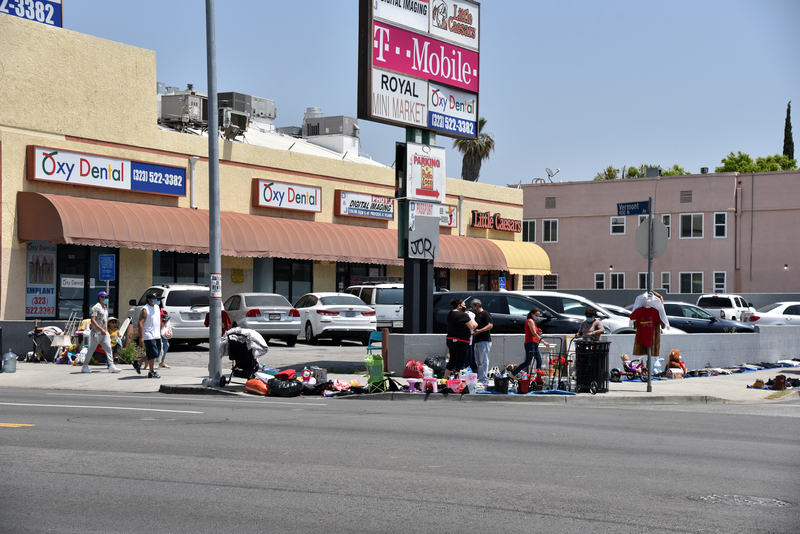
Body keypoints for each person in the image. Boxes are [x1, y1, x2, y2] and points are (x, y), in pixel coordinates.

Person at [82, 291, 121, 374]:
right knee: (92, 349)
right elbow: (93, 320)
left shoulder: (104, 308)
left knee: (109, 348)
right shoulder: (96, 307)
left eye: (107, 297)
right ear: (100, 298)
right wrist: (101, 329)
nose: (106, 299)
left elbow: (103, 320)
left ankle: (111, 366)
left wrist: (105, 329)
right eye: (104, 297)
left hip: (104, 332)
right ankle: (85, 365)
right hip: (96, 332)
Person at [508, 308, 550, 378]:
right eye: (536, 315)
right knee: (528, 361)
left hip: (534, 343)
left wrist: (539, 333)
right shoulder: (530, 321)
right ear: (532, 314)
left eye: (538, 316)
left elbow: (535, 333)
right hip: (530, 343)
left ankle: (538, 377)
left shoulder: (534, 322)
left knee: (539, 360)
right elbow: (534, 333)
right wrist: (543, 341)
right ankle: (513, 373)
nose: (537, 317)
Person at [444, 298, 478, 378]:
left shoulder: (450, 314)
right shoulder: (463, 315)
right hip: (461, 342)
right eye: (464, 305)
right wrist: (475, 322)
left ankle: (445, 379)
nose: (465, 307)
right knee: (460, 362)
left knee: (452, 360)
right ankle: (457, 381)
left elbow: (458, 320)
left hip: (450, 340)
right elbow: (472, 326)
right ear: (459, 306)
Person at [134, 292, 162, 378]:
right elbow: (140, 324)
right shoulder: (145, 309)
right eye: (153, 299)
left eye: (156, 299)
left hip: (157, 334)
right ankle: (147, 369)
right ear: (149, 300)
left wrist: (160, 332)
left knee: (155, 354)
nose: (155, 301)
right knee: (153, 353)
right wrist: (141, 337)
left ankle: (142, 366)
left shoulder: (157, 307)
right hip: (148, 335)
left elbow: (158, 321)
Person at [471, 299, 493, 385]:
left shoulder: (485, 314)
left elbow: (490, 325)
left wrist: (479, 331)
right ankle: (480, 378)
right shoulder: (474, 315)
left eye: (472, 306)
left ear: (477, 305)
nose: (471, 307)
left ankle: (484, 379)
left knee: (484, 360)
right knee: (478, 361)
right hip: (477, 340)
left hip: (484, 340)